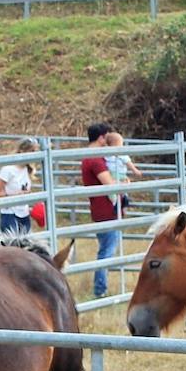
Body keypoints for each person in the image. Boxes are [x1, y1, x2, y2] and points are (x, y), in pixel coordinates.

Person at [80, 122, 121, 298]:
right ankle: (100, 288)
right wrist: (122, 184)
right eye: (106, 137)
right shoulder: (95, 160)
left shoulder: (90, 157)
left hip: (100, 209)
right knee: (107, 250)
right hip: (105, 210)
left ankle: (100, 286)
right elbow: (109, 184)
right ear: (101, 138)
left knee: (106, 248)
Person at [0, 138, 39, 234]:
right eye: (32, 151)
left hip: (24, 214)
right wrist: (15, 196)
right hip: (10, 214)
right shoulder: (8, 170)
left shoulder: (28, 170)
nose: (34, 154)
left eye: (35, 151)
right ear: (22, 150)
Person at [104, 131, 145, 212]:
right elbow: (128, 163)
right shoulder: (121, 153)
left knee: (112, 191)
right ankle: (123, 200)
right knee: (123, 188)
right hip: (121, 174)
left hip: (110, 175)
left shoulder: (106, 153)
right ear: (117, 144)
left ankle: (114, 202)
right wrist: (135, 171)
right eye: (121, 144)